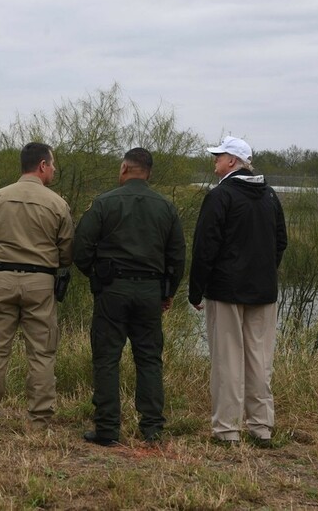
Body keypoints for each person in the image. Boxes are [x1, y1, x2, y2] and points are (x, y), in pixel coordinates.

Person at [73, 147, 186, 446]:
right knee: (149, 359)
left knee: (107, 358)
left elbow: (81, 247)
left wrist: (97, 276)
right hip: (150, 291)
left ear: (124, 168)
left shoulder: (104, 203)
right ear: (149, 173)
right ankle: (152, 429)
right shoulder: (166, 207)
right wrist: (167, 292)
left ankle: (107, 429)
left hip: (112, 289)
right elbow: (177, 256)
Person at [0, 142, 74, 439]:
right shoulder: (57, 204)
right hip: (40, 283)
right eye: (52, 164)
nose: (54, 169)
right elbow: (67, 254)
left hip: (1, 279)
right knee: (42, 354)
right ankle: (39, 426)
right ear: (42, 165)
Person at [188, 136, 287, 447]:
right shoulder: (269, 195)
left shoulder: (220, 196)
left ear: (232, 161)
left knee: (227, 361)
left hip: (226, 291)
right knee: (259, 360)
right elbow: (280, 241)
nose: (215, 160)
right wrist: (264, 272)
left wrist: (196, 290)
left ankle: (227, 430)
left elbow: (205, 247)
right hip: (263, 292)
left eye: (219, 156)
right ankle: (261, 427)